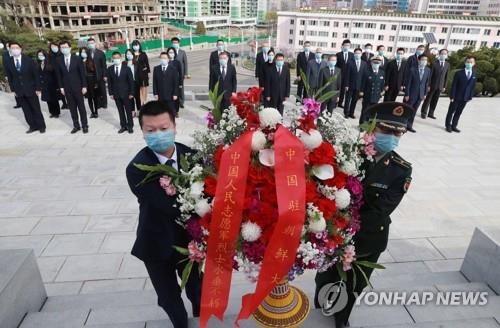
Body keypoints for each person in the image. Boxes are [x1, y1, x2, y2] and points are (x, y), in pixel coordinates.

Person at [314, 102, 413, 328]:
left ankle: (342, 317)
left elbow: (381, 210)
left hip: (369, 236)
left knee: (355, 283)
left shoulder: (401, 169)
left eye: (398, 133)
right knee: (326, 276)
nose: (392, 137)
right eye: (386, 131)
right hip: (334, 231)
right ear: (370, 129)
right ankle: (323, 297)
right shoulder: (347, 154)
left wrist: (346, 223)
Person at [126, 101, 202, 328]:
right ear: (142, 132)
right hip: (156, 243)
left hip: (190, 244)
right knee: (169, 298)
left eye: (163, 128)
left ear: (175, 126)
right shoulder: (137, 168)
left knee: (198, 290)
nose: (158, 134)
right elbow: (170, 206)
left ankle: (202, 320)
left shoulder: (194, 157)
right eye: (151, 130)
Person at [4, 42, 46, 133]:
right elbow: (10, 77)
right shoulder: (8, 62)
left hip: (31, 88)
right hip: (19, 90)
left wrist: (38, 88)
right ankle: (32, 126)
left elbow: (36, 75)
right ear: (10, 50)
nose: (15, 49)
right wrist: (13, 89)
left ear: (20, 48)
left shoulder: (29, 60)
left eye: (16, 47)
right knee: (26, 109)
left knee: (36, 108)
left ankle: (41, 126)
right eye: (12, 48)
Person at [55, 40, 88, 134]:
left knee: (81, 108)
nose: (64, 49)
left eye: (65, 47)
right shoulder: (58, 60)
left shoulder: (77, 59)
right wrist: (61, 87)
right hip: (67, 88)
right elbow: (59, 75)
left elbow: (82, 74)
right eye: (62, 47)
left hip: (78, 87)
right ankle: (76, 125)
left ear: (69, 48)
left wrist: (84, 86)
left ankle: (84, 125)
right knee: (72, 108)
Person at [445, 56, 477, 133]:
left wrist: (470, 96)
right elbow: (454, 85)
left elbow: (472, 86)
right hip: (456, 96)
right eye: (468, 62)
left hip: (465, 97)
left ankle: (454, 126)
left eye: (471, 62)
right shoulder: (459, 73)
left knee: (459, 112)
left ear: (474, 63)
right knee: (451, 111)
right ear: (465, 63)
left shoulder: (474, 74)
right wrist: (452, 96)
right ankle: (448, 125)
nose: (469, 63)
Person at [108, 52, 135, 134]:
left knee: (128, 110)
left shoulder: (126, 68)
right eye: (114, 58)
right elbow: (110, 82)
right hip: (116, 94)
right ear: (112, 59)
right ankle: (123, 126)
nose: (116, 59)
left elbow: (131, 82)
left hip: (126, 93)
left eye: (117, 58)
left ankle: (130, 126)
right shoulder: (110, 69)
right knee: (120, 111)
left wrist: (131, 93)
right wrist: (111, 93)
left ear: (120, 58)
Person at [404, 54, 431, 133]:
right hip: (411, 94)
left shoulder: (428, 70)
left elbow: (426, 83)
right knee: (408, 110)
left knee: (414, 111)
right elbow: (408, 83)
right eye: (423, 60)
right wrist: (407, 94)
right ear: (419, 60)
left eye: (426, 60)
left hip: (420, 95)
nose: (424, 61)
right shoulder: (412, 70)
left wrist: (425, 94)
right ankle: (404, 125)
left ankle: (409, 125)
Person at [421, 49, 450, 119]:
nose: (443, 55)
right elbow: (430, 75)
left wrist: (444, 86)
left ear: (447, 55)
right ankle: (423, 112)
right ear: (439, 54)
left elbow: (446, 76)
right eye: (442, 53)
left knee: (435, 100)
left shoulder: (447, 64)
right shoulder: (434, 63)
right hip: (432, 85)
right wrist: (428, 85)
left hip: (440, 86)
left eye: (445, 54)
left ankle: (431, 113)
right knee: (428, 99)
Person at [359, 56, 385, 124]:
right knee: (365, 110)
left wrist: (382, 91)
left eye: (378, 63)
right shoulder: (366, 71)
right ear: (371, 63)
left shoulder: (382, 72)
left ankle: (370, 125)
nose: (376, 64)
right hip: (368, 94)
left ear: (380, 63)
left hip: (376, 95)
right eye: (375, 62)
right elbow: (362, 82)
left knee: (373, 111)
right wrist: (361, 92)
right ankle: (362, 124)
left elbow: (382, 83)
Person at [344, 48, 367, 119]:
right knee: (348, 99)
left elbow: (364, 76)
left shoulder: (364, 63)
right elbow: (346, 74)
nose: (357, 54)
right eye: (356, 53)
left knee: (354, 100)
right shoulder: (349, 62)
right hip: (350, 85)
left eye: (359, 53)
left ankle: (351, 113)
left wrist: (362, 88)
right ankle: (346, 113)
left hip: (359, 86)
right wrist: (346, 85)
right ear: (354, 54)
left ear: (361, 54)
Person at [36, 49, 60, 118]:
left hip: (52, 84)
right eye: (39, 55)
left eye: (42, 55)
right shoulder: (38, 64)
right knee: (48, 100)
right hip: (44, 85)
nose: (40, 56)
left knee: (54, 99)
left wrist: (57, 85)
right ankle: (52, 112)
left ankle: (56, 112)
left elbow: (56, 74)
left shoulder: (50, 63)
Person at [87, 37, 107, 109]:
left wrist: (105, 75)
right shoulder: (87, 53)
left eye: (92, 43)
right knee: (95, 90)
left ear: (95, 43)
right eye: (89, 43)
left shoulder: (100, 53)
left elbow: (104, 65)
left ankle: (104, 103)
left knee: (102, 89)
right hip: (92, 75)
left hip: (100, 74)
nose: (91, 45)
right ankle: (98, 103)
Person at [80, 47, 100, 119]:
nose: (83, 53)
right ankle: (92, 112)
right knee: (89, 98)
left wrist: (96, 83)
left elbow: (95, 73)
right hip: (85, 82)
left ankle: (96, 111)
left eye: (84, 52)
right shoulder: (79, 61)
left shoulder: (91, 61)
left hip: (92, 80)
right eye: (82, 52)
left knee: (94, 97)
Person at [47, 42, 68, 110]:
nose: (54, 48)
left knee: (66, 89)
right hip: (55, 75)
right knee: (60, 90)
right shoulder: (50, 56)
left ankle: (69, 102)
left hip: (63, 74)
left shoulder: (61, 54)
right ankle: (64, 103)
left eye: (55, 46)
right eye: (52, 47)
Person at [2, 42, 22, 109]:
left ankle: (23, 101)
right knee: (15, 88)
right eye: (7, 46)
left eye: (9, 46)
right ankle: (18, 103)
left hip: (19, 73)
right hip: (11, 74)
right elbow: (4, 66)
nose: (8, 47)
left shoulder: (17, 53)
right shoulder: (5, 54)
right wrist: (6, 75)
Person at [132, 40, 150, 107]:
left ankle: (144, 101)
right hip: (135, 74)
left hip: (143, 74)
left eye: (137, 45)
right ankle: (141, 101)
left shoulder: (143, 54)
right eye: (134, 45)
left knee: (144, 88)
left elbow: (147, 64)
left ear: (139, 46)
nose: (135, 46)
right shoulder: (132, 54)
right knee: (138, 89)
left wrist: (147, 72)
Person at [336, 39, 354, 108]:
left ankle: (340, 103)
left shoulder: (351, 55)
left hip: (348, 76)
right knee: (338, 89)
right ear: (342, 46)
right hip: (339, 74)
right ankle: (336, 101)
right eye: (345, 45)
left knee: (344, 90)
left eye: (348, 45)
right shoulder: (338, 54)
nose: (347, 46)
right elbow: (336, 65)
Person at [171, 37, 188, 109]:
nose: (175, 44)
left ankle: (181, 102)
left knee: (181, 88)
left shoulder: (182, 52)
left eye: (176, 43)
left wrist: (185, 73)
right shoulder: (170, 52)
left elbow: (185, 63)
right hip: (172, 74)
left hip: (180, 74)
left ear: (179, 43)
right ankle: (174, 102)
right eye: (173, 43)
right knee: (173, 88)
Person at [167, 47, 183, 115]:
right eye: (169, 52)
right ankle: (169, 111)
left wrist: (180, 83)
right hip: (167, 83)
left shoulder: (177, 62)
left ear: (174, 53)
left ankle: (176, 111)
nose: (171, 54)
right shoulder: (166, 62)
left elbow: (180, 73)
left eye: (172, 52)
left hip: (176, 83)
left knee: (176, 97)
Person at [125, 49, 140, 116]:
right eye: (127, 54)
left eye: (130, 54)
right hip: (127, 83)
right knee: (131, 97)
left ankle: (139, 110)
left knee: (137, 97)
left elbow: (140, 73)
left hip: (135, 82)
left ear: (133, 55)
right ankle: (132, 111)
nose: (129, 55)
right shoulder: (124, 63)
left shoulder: (136, 63)